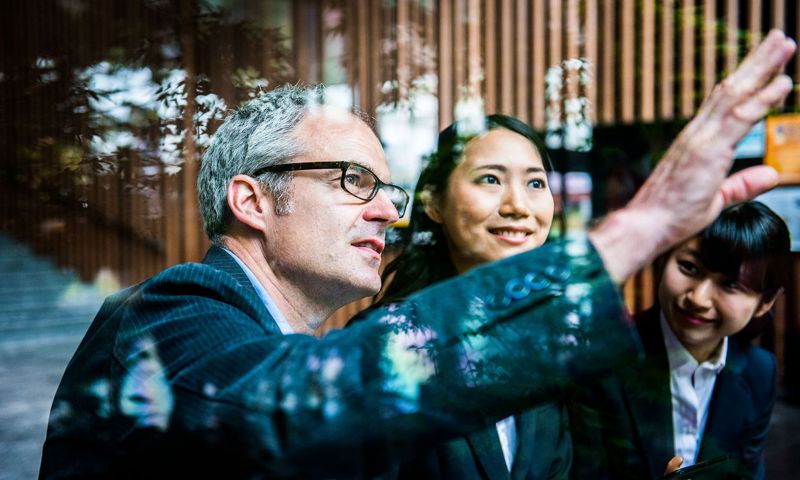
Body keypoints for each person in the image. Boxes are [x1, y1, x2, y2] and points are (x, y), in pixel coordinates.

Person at [39, 30, 795, 479]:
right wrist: (646, 225)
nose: (383, 209)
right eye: (352, 180)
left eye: (387, 188)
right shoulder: (169, 315)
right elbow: (304, 405)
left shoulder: (303, 342)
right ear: (252, 201)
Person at [369, 114, 570, 479]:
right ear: (433, 201)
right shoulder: (386, 343)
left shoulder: (546, 343)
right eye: (490, 179)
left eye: (535, 183)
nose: (518, 206)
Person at [570, 201, 790, 480]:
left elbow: (747, 472)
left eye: (730, 284)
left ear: (765, 302)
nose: (697, 299)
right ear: (665, 257)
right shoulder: (603, 358)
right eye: (689, 267)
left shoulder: (760, 371)